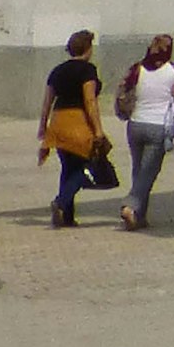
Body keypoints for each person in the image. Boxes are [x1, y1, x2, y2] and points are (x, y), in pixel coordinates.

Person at [34, 29, 108, 229]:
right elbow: (89, 100)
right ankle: (61, 201)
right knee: (87, 166)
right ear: (88, 48)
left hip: (59, 122)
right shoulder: (87, 70)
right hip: (78, 122)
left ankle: (67, 216)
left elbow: (47, 101)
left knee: (68, 167)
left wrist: (43, 126)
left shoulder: (57, 71)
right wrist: (98, 130)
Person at [118, 35, 174, 230]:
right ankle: (130, 206)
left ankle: (139, 216)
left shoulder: (138, 68)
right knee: (149, 171)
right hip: (157, 126)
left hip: (135, 124)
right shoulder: (172, 71)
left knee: (138, 170)